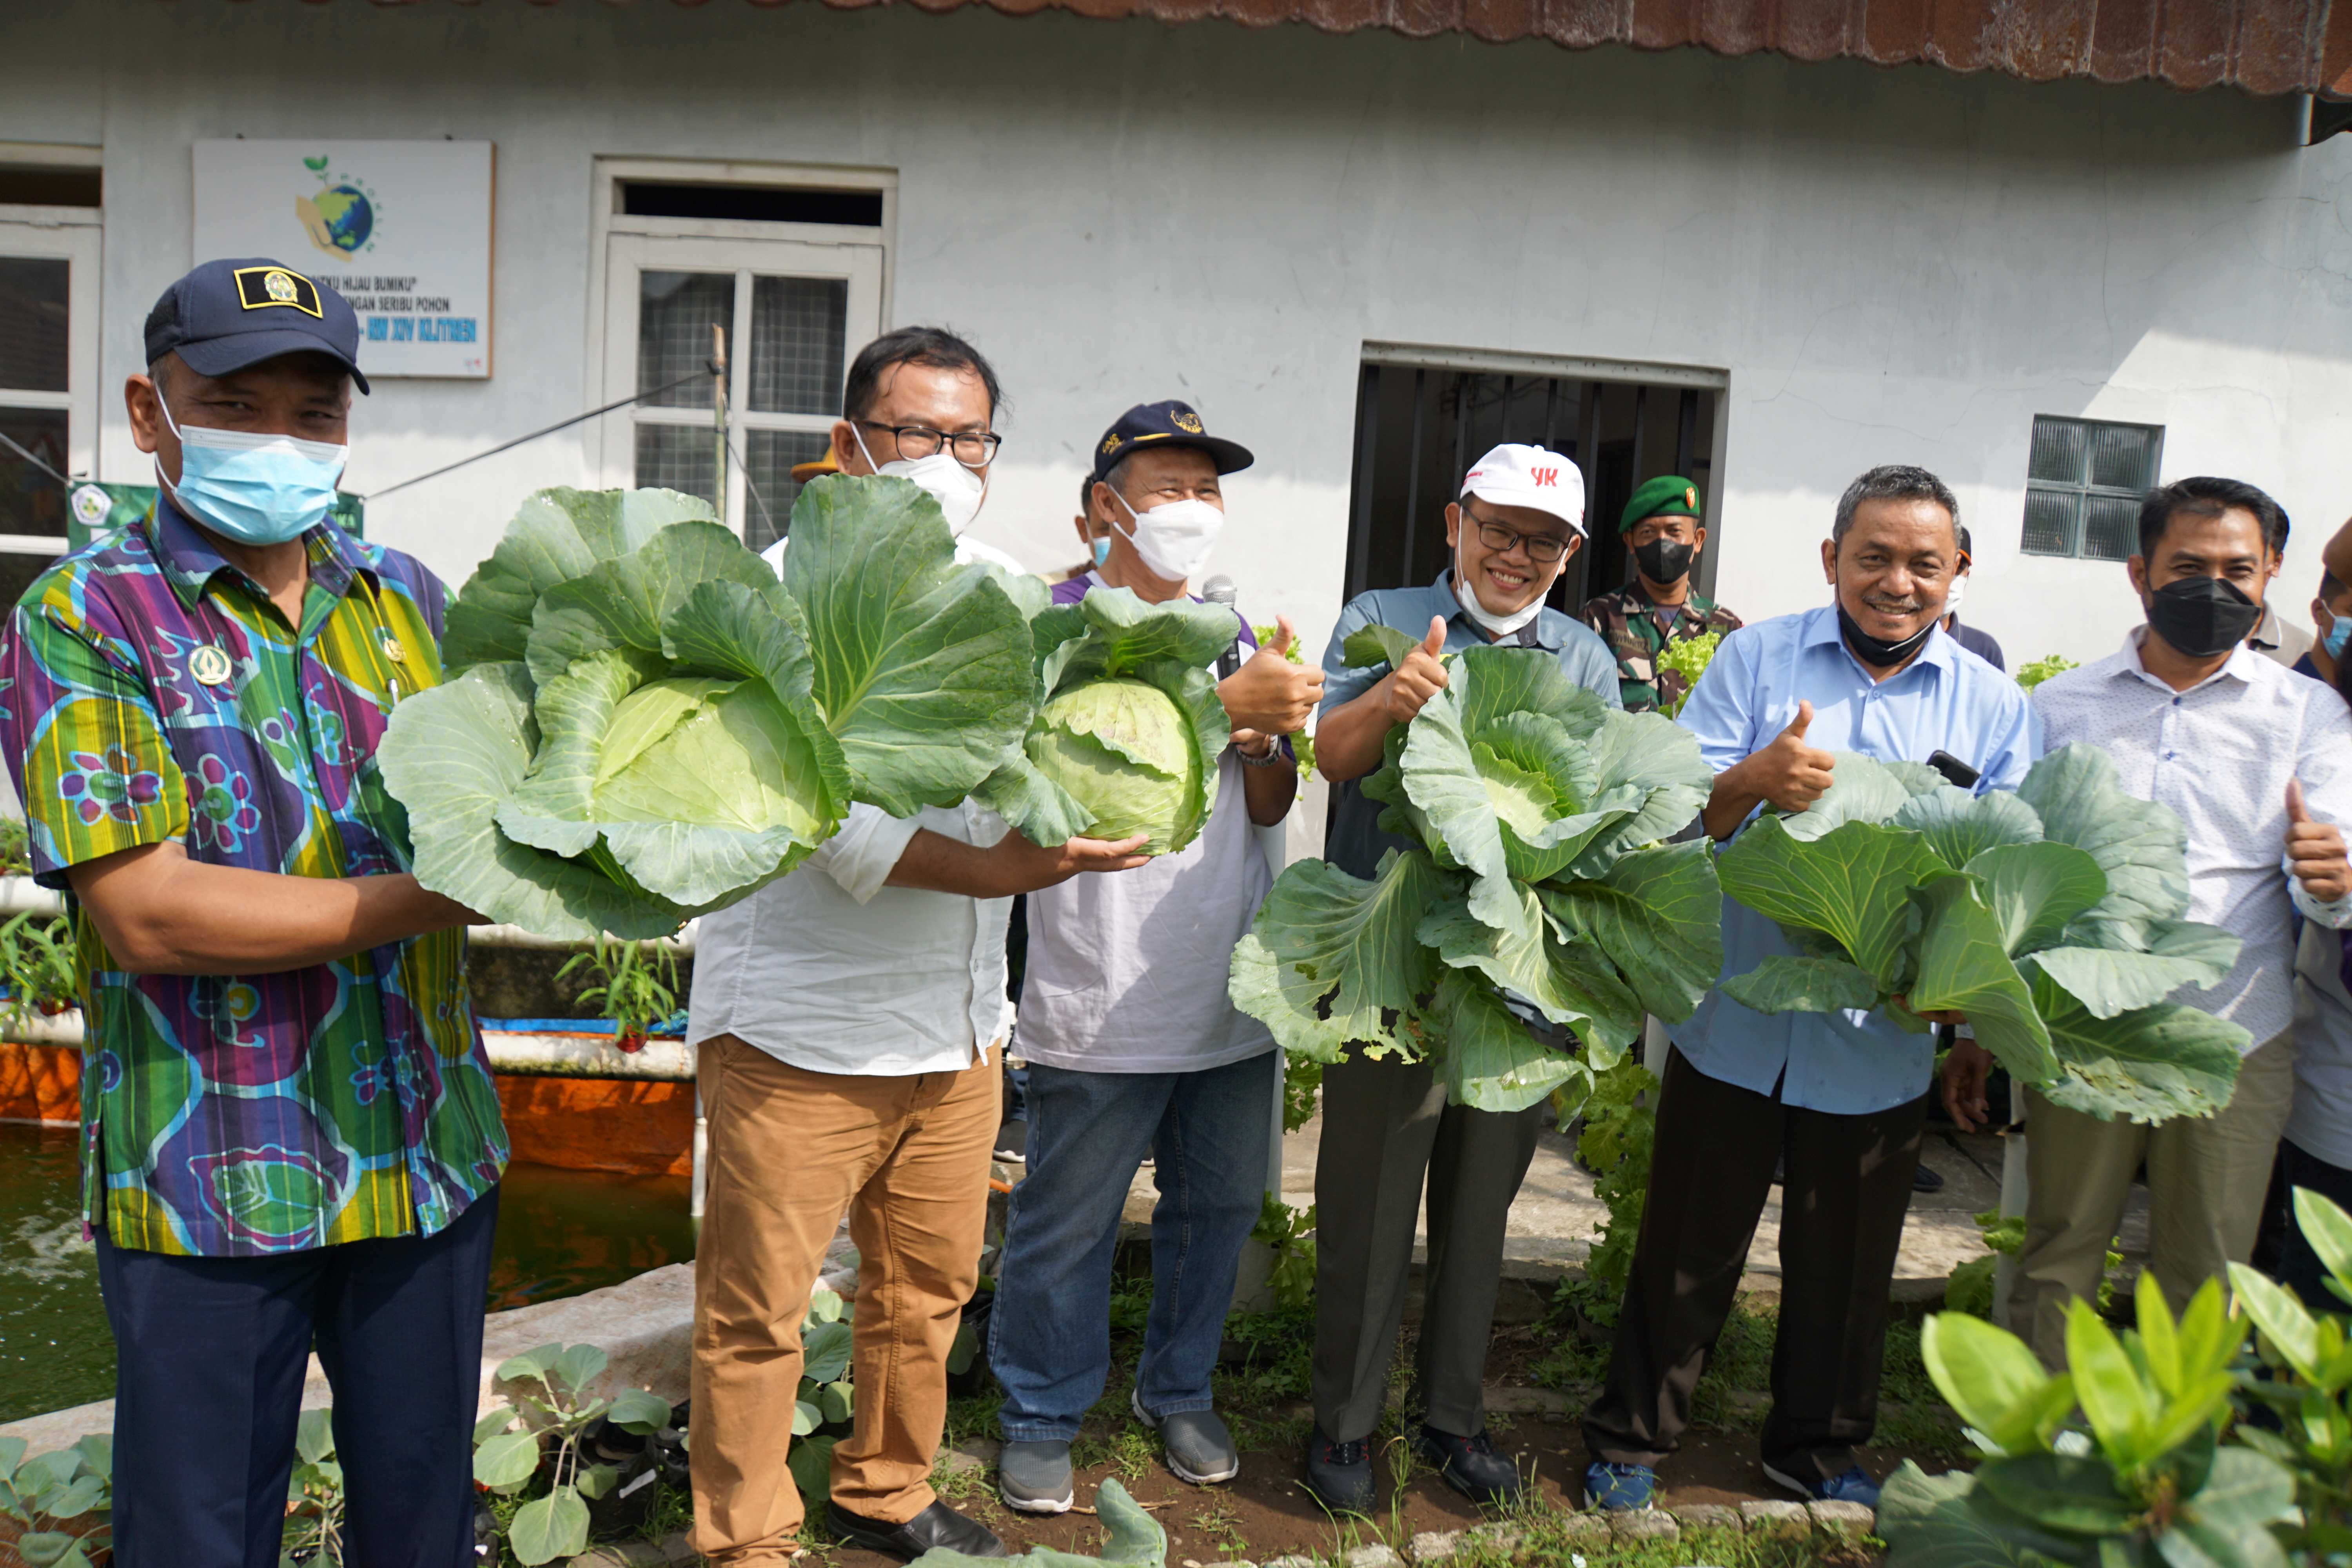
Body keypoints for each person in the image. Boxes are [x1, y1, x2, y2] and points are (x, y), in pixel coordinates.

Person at [0, 259, 501, 1565]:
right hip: (210, 1168)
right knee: (200, 1536)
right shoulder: (84, 615)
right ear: (148, 409)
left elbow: (506, 804)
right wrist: (436, 896)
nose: (278, 439)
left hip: (427, 1151)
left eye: (313, 413)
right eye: (235, 400)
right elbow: (149, 913)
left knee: (423, 1521)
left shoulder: (409, 602)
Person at [686, 327, 1151, 1567]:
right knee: (755, 1313)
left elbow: (1037, 767)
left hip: (954, 1027)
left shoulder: (1003, 592)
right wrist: (1016, 867)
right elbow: (832, 829)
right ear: (849, 444)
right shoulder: (776, 592)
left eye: (968, 438)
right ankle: (743, 1538)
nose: (943, 460)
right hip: (795, 1030)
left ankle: (883, 1491)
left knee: (924, 1290)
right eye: (914, 434)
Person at [1583, 465, 2035, 1514]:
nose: (1897, 581)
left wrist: (1960, 1008)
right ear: (1832, 561)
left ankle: (1818, 1449)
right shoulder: (1756, 657)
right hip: (1736, 1018)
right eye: (1873, 557)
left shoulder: (1997, 706)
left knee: (1848, 1265)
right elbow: (1668, 808)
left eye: (1925, 563)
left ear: (1957, 572)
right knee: (1688, 1248)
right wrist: (1751, 780)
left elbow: (2006, 878)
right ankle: (1633, 1439)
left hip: (1876, 1044)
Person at [990, 400, 1319, 1513]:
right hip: (1096, 987)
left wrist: (1267, 731)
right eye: (1168, 486)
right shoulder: (1053, 630)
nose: (1191, 509)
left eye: (1207, 490)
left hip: (1225, 979)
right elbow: (1051, 782)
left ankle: (1177, 1390)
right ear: (1103, 507)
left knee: (1217, 1209)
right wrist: (1223, 706)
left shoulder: (1237, 633)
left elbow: (1269, 801)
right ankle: (1040, 1409)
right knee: (1067, 1220)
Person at [1948, 477, 2352, 1366]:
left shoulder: (2308, 715)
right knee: (2057, 1249)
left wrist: (2333, 880)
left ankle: (2170, 1478)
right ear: (2140, 574)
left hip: (2234, 1038)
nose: (2216, 587)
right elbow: (2012, 872)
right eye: (2189, 567)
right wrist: (1983, 1023)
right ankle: (2039, 1451)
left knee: (2206, 1272)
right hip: (2080, 1034)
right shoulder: (2063, 708)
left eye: (2238, 569)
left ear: (2272, 572)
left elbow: (2330, 861)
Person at [1304, 442, 1618, 1512]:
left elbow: (1596, 811)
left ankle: (1452, 1420)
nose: (1515, 556)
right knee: (1368, 1206)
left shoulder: (1583, 659)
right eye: (1497, 529)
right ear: (1455, 523)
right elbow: (1330, 758)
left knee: (1483, 1212)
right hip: (1390, 964)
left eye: (1543, 541)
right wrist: (1393, 698)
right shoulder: (1381, 615)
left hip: (1511, 982)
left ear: (1570, 556)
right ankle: (1345, 1426)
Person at [1580, 474, 1742, 713]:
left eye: (1674, 531)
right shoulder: (1601, 618)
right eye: (1648, 533)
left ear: (1697, 541)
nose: (1662, 542)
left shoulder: (1725, 628)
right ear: (1631, 542)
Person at [1941, 525, 2005, 671]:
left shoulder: (1985, 650)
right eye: (1940, 566)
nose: (1949, 577)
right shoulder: (1891, 642)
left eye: (1958, 569)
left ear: (1967, 576)